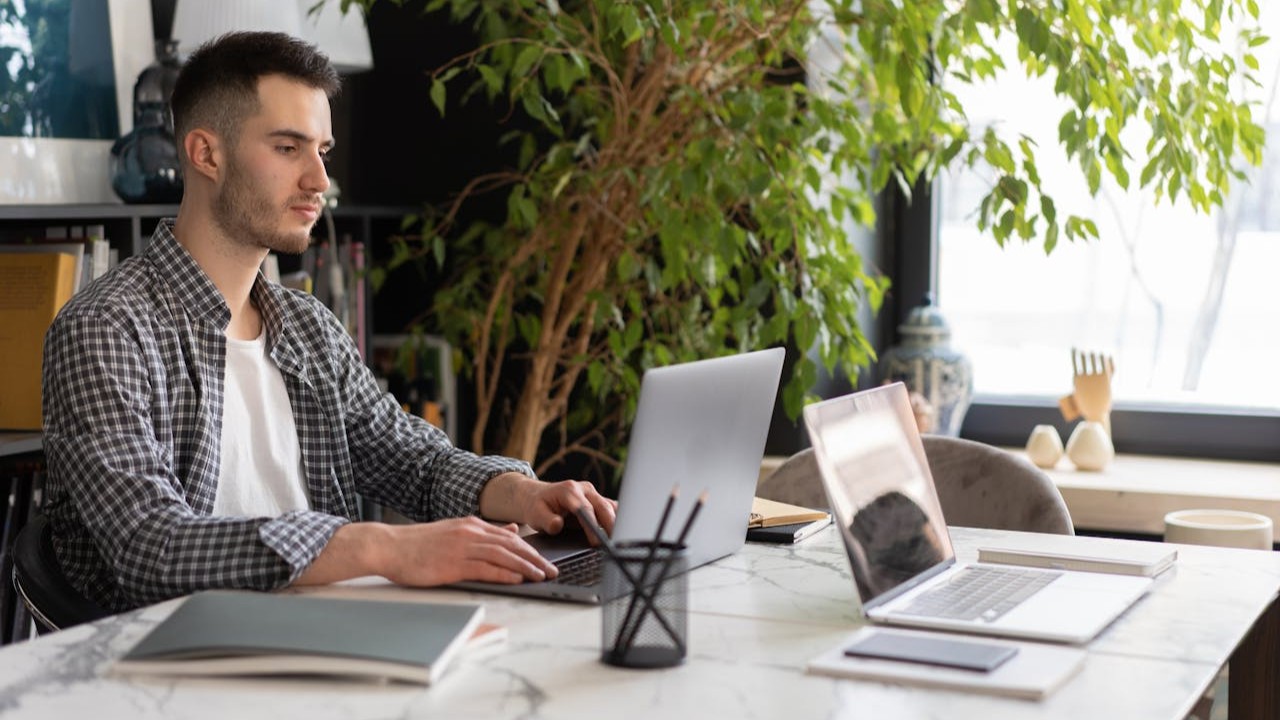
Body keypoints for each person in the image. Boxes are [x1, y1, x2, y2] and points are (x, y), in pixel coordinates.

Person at [40, 31, 616, 613]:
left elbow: (415, 462)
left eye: (323, 151)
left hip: (327, 635)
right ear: (206, 153)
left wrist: (523, 494)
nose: (319, 181)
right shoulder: (106, 328)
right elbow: (149, 547)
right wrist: (380, 547)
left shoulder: (307, 326)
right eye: (289, 148)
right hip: (164, 665)